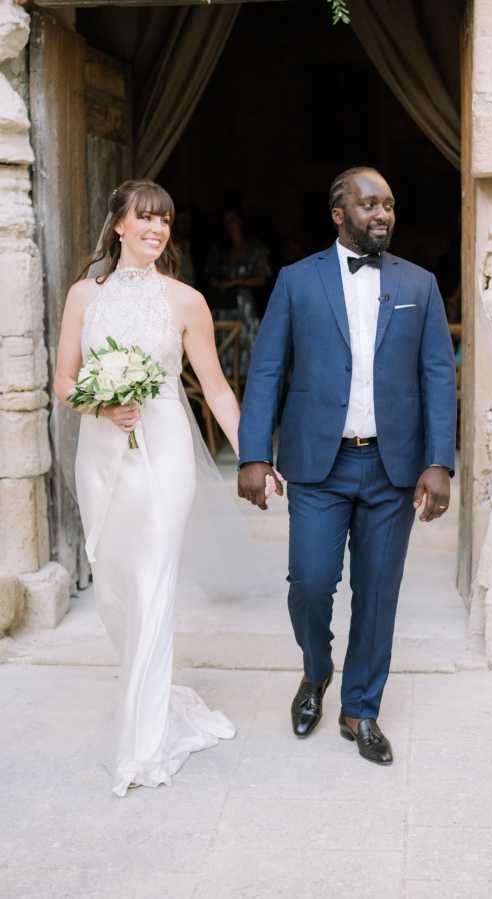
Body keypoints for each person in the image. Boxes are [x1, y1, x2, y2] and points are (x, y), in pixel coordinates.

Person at [238, 166, 456, 766]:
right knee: (309, 584)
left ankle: (361, 708)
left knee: (378, 593)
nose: (382, 214)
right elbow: (266, 372)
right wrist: (254, 453)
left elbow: (438, 375)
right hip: (318, 466)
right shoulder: (296, 281)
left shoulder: (421, 284)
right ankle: (316, 671)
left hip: (393, 468)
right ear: (339, 214)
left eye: (388, 204)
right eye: (368, 205)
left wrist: (440, 462)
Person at [54, 180, 240, 796]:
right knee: (112, 584)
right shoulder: (84, 296)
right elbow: (64, 381)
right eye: (145, 219)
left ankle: (143, 743)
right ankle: (150, 695)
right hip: (103, 452)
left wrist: (255, 456)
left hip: (164, 453)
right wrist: (101, 405)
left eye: (165, 220)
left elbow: (213, 386)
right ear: (119, 227)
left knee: (153, 579)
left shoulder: (186, 301)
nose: (156, 229)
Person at [204, 209, 271, 376]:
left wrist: (236, 282)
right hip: (224, 306)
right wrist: (219, 284)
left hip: (246, 307)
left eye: (233, 219)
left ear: (241, 221)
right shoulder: (220, 250)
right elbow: (209, 275)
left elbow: (263, 278)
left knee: (248, 344)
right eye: (226, 221)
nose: (230, 224)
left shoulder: (254, 248)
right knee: (225, 345)